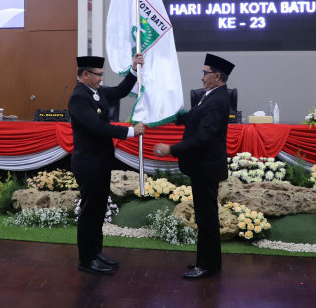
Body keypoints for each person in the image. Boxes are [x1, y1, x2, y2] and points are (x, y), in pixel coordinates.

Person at [154, 53, 234, 279]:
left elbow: (204, 137)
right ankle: (206, 262)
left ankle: (208, 266)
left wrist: (171, 149)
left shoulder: (218, 100)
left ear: (217, 76)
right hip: (202, 167)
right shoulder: (210, 95)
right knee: (204, 216)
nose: (201, 77)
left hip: (206, 168)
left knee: (206, 218)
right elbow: (192, 117)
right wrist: (169, 117)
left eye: (205, 73)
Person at [69, 53, 146, 275]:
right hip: (88, 162)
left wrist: (134, 69)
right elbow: (96, 127)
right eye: (98, 75)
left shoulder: (96, 92)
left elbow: (121, 91)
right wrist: (130, 131)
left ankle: (96, 252)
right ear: (85, 74)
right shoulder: (78, 97)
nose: (102, 79)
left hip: (100, 160)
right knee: (89, 211)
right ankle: (86, 259)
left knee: (98, 209)